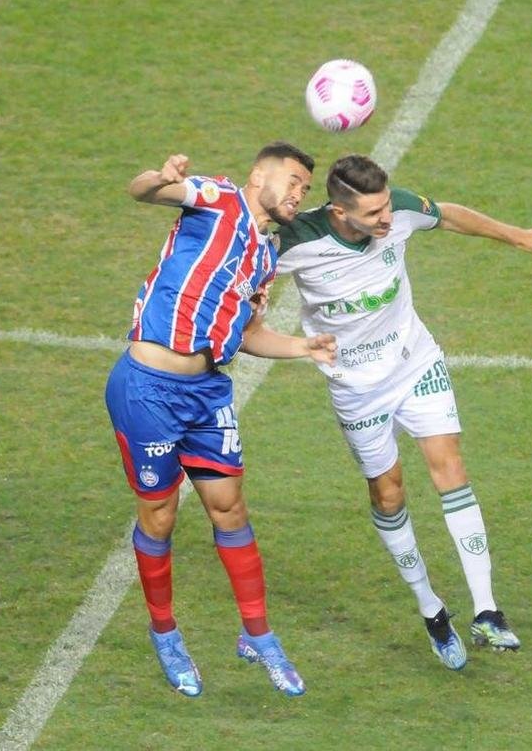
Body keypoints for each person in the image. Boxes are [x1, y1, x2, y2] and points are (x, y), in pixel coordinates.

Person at [274, 154, 532, 670]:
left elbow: (449, 214)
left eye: (388, 206)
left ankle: (488, 611)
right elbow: (239, 274)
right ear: (340, 214)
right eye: (373, 214)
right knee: (388, 494)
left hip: (414, 362)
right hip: (357, 389)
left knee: (449, 466)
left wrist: (519, 235)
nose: (387, 220)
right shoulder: (296, 242)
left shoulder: (399, 211)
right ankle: (432, 609)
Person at [105, 143, 336, 698]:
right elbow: (142, 191)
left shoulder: (264, 254)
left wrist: (302, 348)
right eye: (296, 181)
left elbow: (247, 334)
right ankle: (165, 633)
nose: (301, 193)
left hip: (208, 390)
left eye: (306, 187)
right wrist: (156, 176)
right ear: (262, 176)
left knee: (230, 509)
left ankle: (258, 634)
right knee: (159, 518)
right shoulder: (218, 198)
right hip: (148, 388)